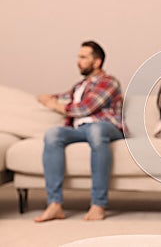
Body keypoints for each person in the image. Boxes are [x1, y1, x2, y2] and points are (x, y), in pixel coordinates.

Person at [34, 41, 124, 222]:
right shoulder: (80, 86)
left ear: (97, 62)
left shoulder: (109, 82)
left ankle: (98, 204)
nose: (78, 61)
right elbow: (61, 98)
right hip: (79, 130)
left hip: (106, 127)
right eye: (78, 57)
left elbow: (84, 108)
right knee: (53, 134)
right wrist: (48, 98)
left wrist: (54, 104)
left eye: (83, 57)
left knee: (96, 131)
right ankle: (54, 204)